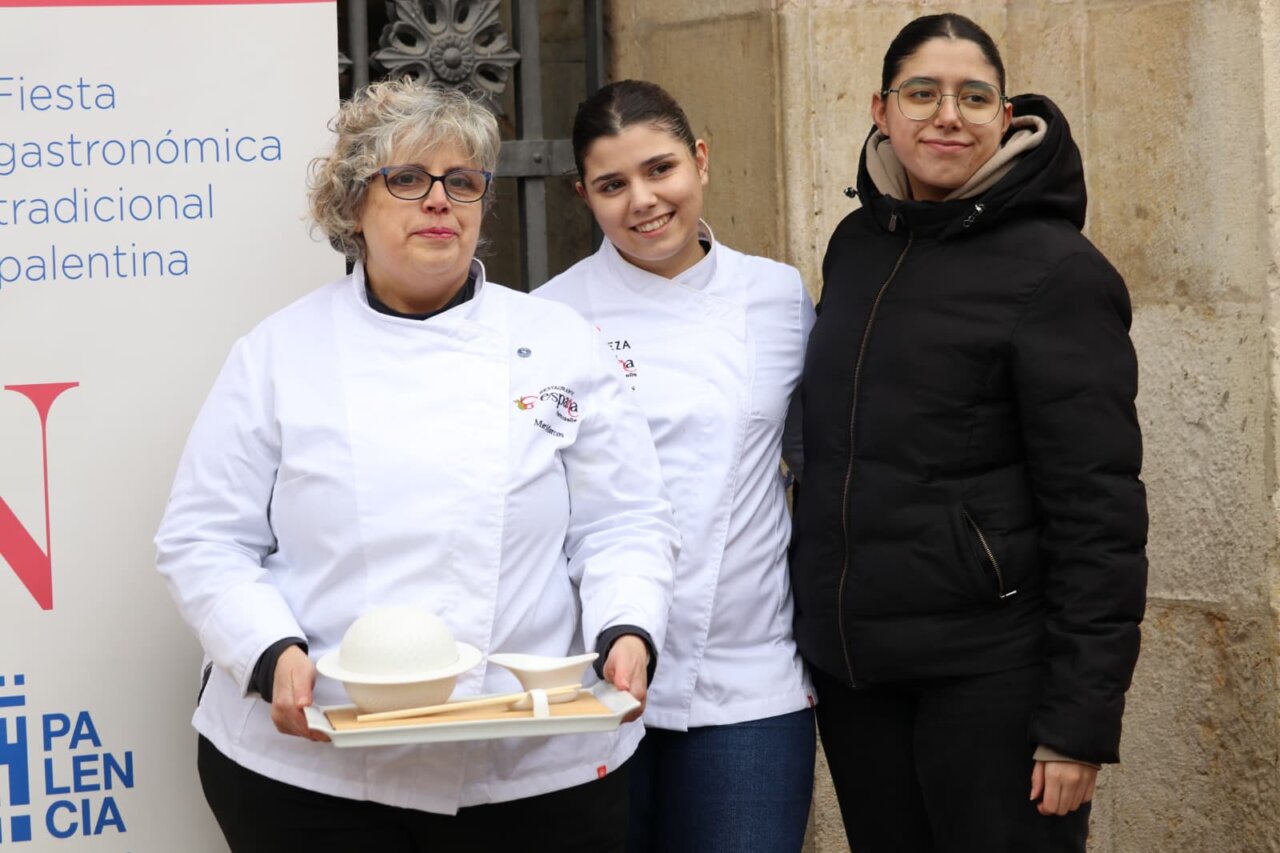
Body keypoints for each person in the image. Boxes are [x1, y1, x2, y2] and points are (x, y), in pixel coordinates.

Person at [155, 79, 679, 853]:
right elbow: (203, 538)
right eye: (407, 178)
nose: (440, 200)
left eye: (462, 181)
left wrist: (628, 627)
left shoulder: (560, 341)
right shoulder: (276, 354)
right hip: (316, 771)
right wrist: (269, 652)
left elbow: (626, 521)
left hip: (529, 764)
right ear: (351, 203)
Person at [789, 13, 1148, 853]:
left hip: (994, 681)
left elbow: (1100, 511)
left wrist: (1077, 723)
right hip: (861, 676)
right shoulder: (856, 245)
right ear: (881, 109)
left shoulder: (1059, 272)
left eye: (973, 95)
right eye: (922, 92)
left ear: (1004, 114)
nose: (947, 114)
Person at [536, 79, 817, 853]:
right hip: (593, 675)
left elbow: (819, 461)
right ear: (583, 196)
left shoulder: (779, 296)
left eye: (660, 169)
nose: (642, 200)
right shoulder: (550, 318)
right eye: (612, 184)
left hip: (749, 676)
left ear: (700, 160)